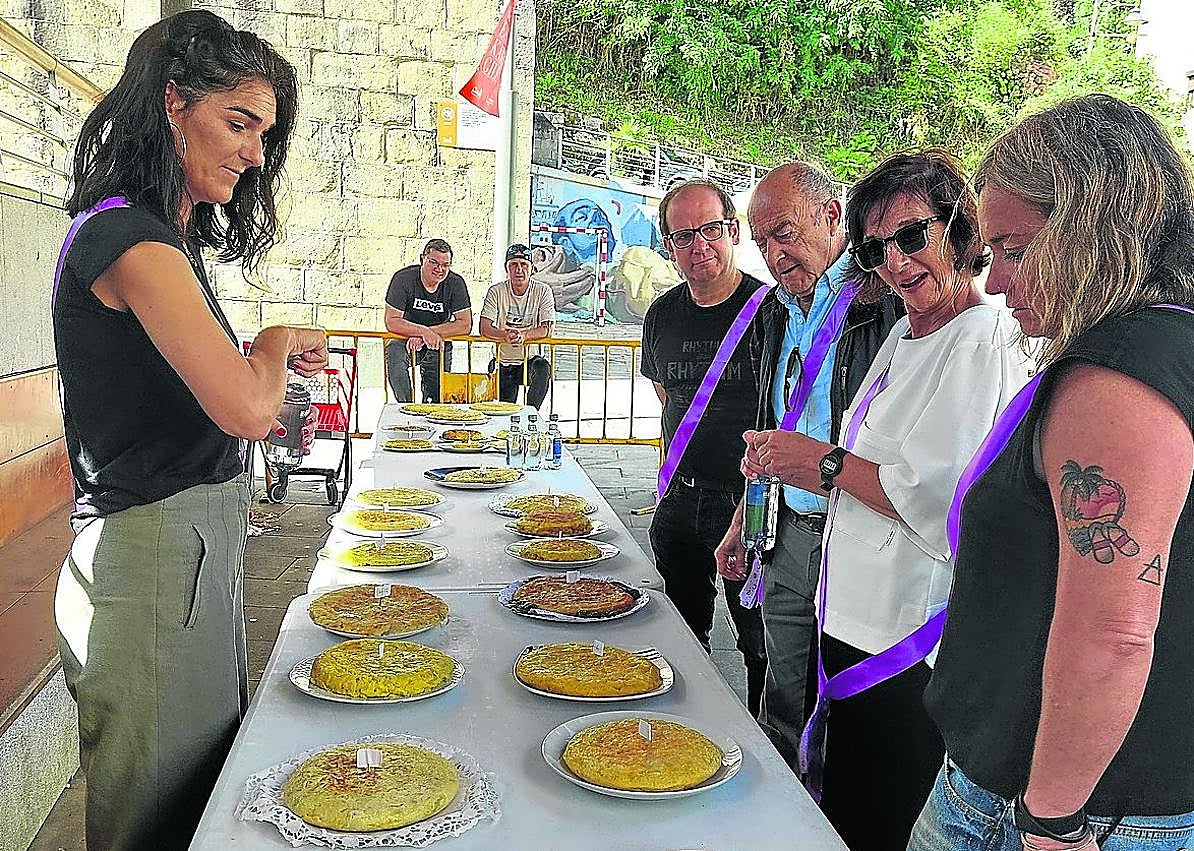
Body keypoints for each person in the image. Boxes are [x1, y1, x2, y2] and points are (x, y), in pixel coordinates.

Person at [50, 12, 325, 850]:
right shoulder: (127, 236)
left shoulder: (162, 237)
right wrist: (274, 342)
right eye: (238, 123)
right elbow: (246, 408)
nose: (254, 153)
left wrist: (262, 365)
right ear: (173, 103)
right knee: (156, 819)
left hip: (190, 551)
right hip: (150, 560)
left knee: (202, 801)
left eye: (263, 133)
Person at [910, 95, 1194, 851]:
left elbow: (1114, 633)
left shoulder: (1119, 377)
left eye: (1013, 249)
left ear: (1092, 230)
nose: (995, 281)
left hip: (1048, 810)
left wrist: (1052, 819)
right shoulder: (1164, 347)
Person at [725, 151, 1032, 848]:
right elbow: (864, 469)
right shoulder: (903, 331)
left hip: (905, 637)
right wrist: (779, 473)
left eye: (912, 236)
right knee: (846, 792)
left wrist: (822, 462)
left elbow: (936, 498)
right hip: (849, 613)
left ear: (959, 231)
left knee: (881, 807)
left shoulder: (979, 338)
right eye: (876, 248)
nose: (895, 262)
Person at [713, 161, 903, 769]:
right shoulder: (776, 310)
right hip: (787, 532)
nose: (773, 255)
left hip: (861, 535)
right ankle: (783, 805)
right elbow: (775, 429)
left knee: (852, 702)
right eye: (762, 241)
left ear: (831, 216)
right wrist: (743, 522)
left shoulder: (885, 299)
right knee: (784, 693)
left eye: (785, 234)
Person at [640, 180, 769, 715]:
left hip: (751, 504)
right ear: (669, 246)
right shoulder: (662, 315)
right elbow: (667, 395)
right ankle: (681, 732)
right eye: (683, 235)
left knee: (760, 645)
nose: (699, 246)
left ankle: (767, 743)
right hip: (680, 499)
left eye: (711, 229)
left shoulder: (771, 311)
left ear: (733, 231)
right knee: (678, 637)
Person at [383, 238, 472, 403]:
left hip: (438, 340)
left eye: (445, 265)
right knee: (395, 360)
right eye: (434, 262)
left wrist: (427, 334)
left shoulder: (456, 283)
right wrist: (423, 332)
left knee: (436, 395)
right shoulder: (403, 278)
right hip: (404, 338)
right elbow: (392, 321)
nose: (439, 269)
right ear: (422, 259)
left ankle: (433, 410)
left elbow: (465, 324)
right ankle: (406, 406)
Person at [480, 243, 556, 408]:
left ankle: (531, 414)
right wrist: (504, 335)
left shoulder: (543, 291)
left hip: (530, 359)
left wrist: (524, 335)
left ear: (531, 268)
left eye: (524, 265)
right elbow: (484, 327)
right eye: (513, 264)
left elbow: (547, 328)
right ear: (506, 268)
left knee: (543, 368)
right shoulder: (496, 291)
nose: (519, 270)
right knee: (505, 411)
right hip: (502, 360)